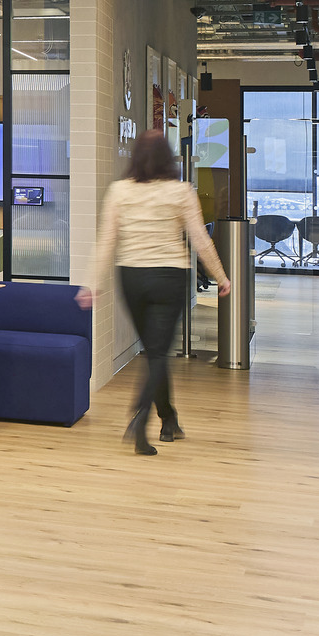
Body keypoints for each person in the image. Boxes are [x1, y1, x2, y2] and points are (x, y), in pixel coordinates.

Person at [80, 132, 233, 455]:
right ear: (169, 158)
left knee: (154, 352)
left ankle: (168, 418)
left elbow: (106, 240)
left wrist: (92, 283)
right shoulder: (181, 191)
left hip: (132, 276)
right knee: (159, 352)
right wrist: (220, 276)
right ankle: (140, 416)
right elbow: (200, 240)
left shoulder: (119, 191)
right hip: (170, 276)